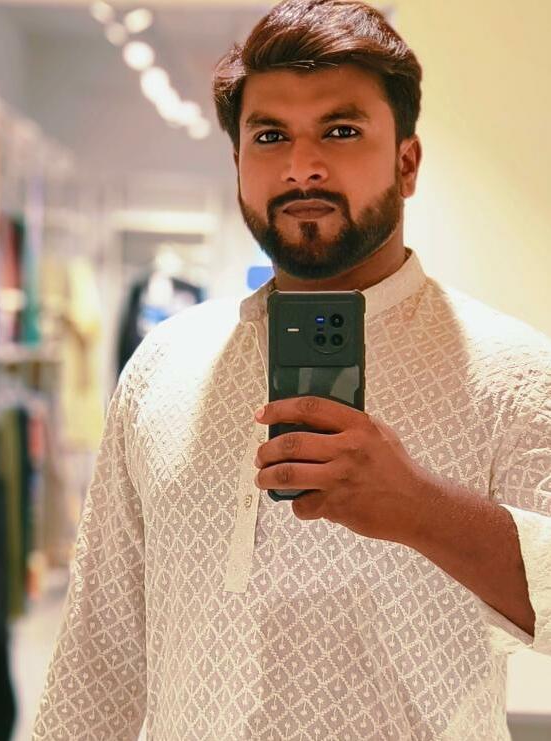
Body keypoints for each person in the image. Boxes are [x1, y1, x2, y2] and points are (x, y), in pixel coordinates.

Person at [33, 1, 551, 739]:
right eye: (270, 136)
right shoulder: (162, 366)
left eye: (341, 131)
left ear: (406, 163)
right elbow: (99, 654)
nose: (302, 166)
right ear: (238, 165)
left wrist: (420, 507)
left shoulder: (513, 371)